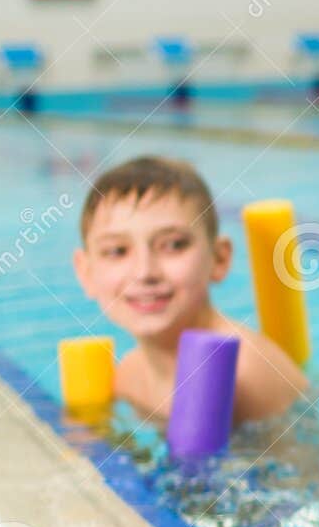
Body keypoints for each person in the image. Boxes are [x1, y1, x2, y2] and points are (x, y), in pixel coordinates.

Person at [72, 155, 307, 424]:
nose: (144, 272)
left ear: (219, 259)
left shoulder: (246, 372)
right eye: (117, 251)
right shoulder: (127, 376)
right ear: (86, 272)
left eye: (173, 245)